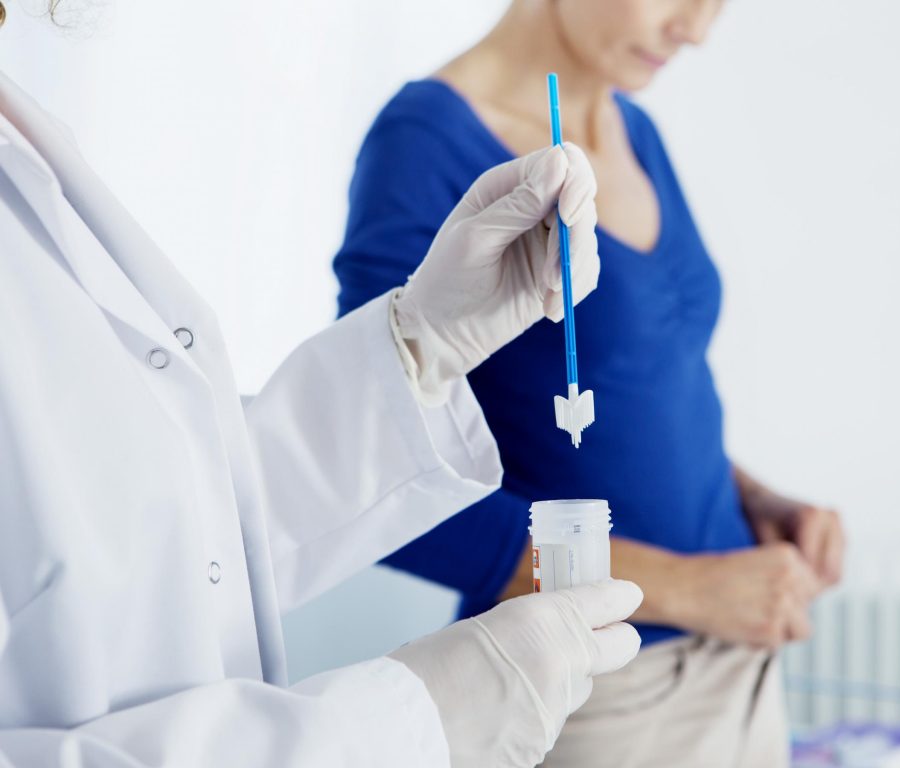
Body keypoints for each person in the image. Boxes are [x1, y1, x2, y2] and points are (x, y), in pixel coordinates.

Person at [0, 5, 645, 767]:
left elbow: (168, 535)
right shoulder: (427, 127)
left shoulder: (24, 138)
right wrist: (418, 720)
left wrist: (422, 346)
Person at [333, 0, 847, 764]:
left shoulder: (632, 129)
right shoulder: (425, 142)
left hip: (743, 662)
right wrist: (689, 587)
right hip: (601, 690)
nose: (696, 30)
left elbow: (644, 388)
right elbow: (375, 482)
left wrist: (747, 498)